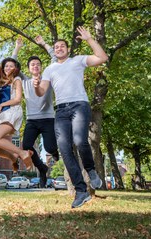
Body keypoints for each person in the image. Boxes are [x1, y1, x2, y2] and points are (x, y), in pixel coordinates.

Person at [33, 26, 108, 208]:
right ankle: (81, 191)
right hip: (61, 110)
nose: (58, 48)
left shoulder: (77, 61)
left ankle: (90, 170)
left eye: (62, 46)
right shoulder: (49, 69)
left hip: (79, 105)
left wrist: (89, 39)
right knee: (64, 148)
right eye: (56, 47)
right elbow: (41, 91)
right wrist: (36, 85)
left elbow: (102, 57)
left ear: (67, 49)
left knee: (79, 140)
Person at [11, 36, 60, 188]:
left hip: (48, 119)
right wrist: (17, 48)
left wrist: (44, 43)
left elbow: (54, 58)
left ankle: (55, 152)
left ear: (41, 67)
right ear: (29, 68)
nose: (35, 66)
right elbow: (11, 66)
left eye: (38, 64)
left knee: (51, 148)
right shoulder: (24, 80)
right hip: (32, 120)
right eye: (32, 64)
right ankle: (42, 168)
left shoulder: (47, 77)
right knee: (26, 147)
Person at [0, 55, 33, 171]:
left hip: (12, 111)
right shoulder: (1, 81)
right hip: (2, 115)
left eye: (11, 66)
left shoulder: (16, 80)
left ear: (16, 69)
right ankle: (13, 157)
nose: (8, 68)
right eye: (6, 66)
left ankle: (23, 153)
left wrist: (2, 104)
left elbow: (17, 99)